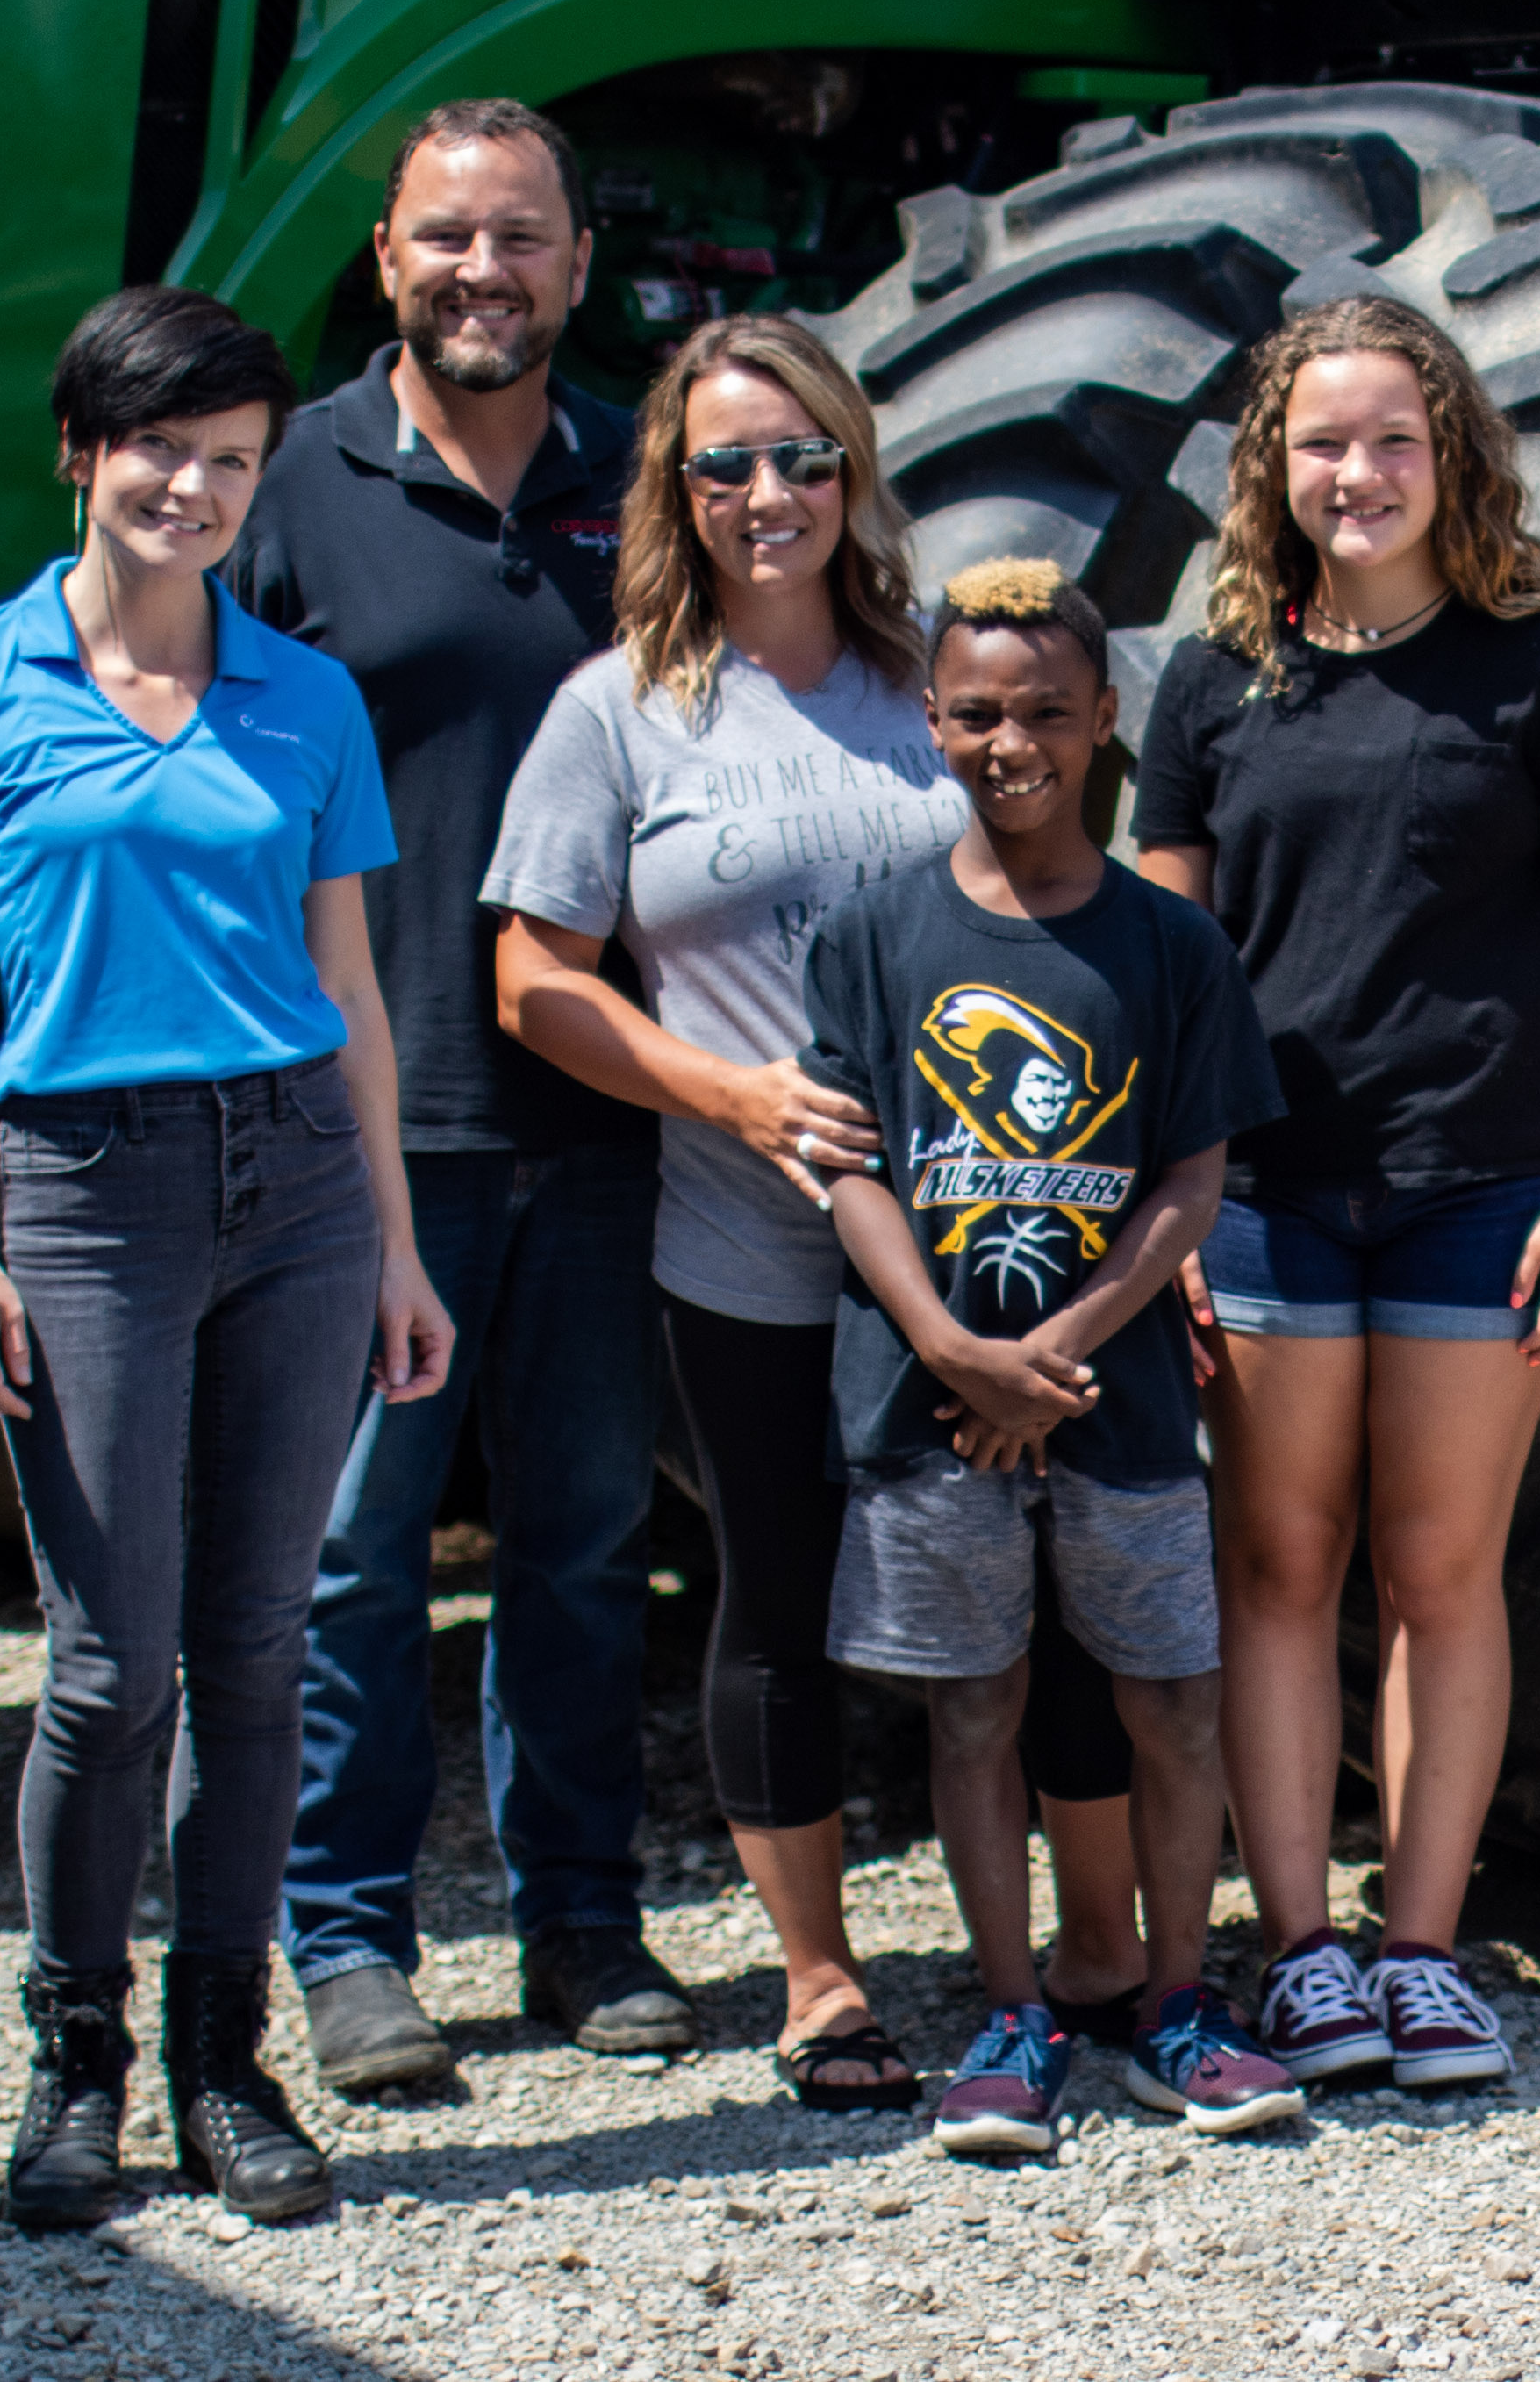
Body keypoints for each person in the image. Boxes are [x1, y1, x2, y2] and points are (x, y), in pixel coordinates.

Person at [0, 286, 457, 2230]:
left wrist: (392, 1243)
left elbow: (352, 986)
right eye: (159, 455)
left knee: (259, 1651)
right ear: (80, 453)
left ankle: (227, 2064)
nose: (193, 491)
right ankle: (76, 2060)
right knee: (110, 1666)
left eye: (230, 460)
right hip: (84, 1188)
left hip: (295, 1178)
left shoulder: (307, 697)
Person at [1131, 298, 1540, 2091]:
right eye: (1324, 442)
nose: (1359, 474)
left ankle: (1421, 1950)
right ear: (1274, 465)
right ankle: (1303, 1953)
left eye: (1394, 440)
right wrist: (1162, 1212)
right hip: (1265, 1189)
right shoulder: (1213, 682)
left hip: (1481, 1188)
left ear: (1455, 458)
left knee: (1442, 1569)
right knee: (1278, 1565)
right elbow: (1166, 961)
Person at [230, 96, 691, 2095]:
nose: (481, 272)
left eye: (521, 238)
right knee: (354, 1546)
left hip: (601, 1112)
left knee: (586, 1540)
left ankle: (582, 1921)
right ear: (386, 258)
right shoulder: (290, 490)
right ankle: (346, 1942)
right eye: (444, 238)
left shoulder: (649, 485)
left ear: (580, 264)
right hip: (368, 1122)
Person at [481, 312, 969, 2111]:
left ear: (853, 469)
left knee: (1026, 1589)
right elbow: (538, 980)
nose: (770, 494)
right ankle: (824, 1973)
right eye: (727, 464)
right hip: (747, 1242)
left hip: (979, 1233)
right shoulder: (615, 710)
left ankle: (1062, 1956)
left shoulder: (929, 681)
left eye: (804, 457)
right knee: (775, 1591)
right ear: (674, 494)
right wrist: (734, 1093)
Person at [811, 560, 1300, 2158]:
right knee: (975, 1715)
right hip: (929, 1404)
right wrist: (955, 1346)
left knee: (1170, 1699)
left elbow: (1189, 1182)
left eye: (1042, 711)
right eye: (972, 712)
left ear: (1104, 724)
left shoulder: (1167, 946)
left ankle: (1173, 1998)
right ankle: (1011, 2011)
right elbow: (852, 1164)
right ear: (931, 723)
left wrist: (1062, 1349)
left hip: (1120, 1400)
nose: (1007, 740)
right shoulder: (875, 936)